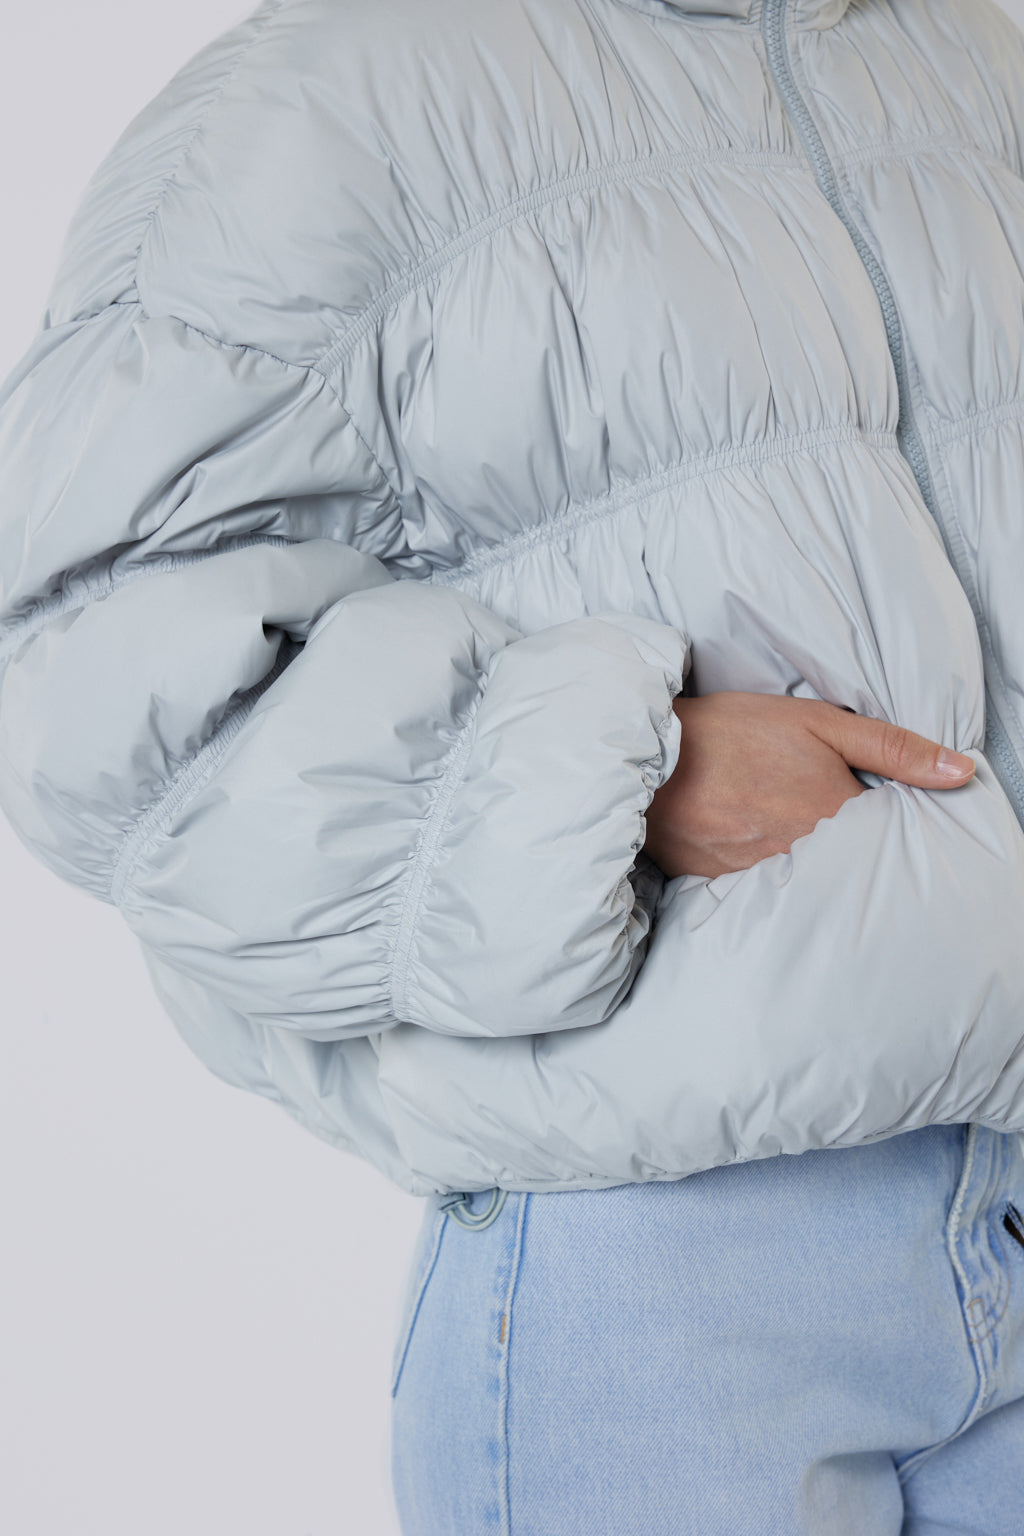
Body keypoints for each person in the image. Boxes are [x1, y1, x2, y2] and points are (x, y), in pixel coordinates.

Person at [2, 0, 1024, 1528]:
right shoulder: (327, 93)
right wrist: (613, 776)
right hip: (674, 1257)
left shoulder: (971, 51)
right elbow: (96, 674)